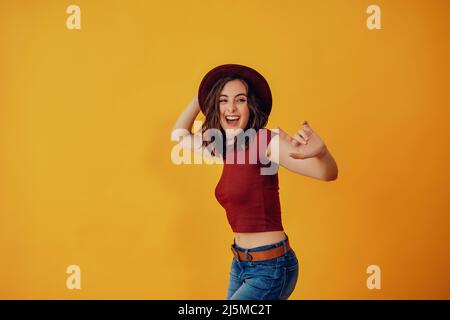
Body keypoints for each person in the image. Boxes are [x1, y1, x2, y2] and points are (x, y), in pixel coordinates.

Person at [171, 64, 338, 300]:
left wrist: (322, 152)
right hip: (240, 264)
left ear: (251, 107)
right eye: (222, 100)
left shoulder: (265, 142)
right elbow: (178, 134)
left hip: (271, 267)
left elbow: (327, 173)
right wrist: (202, 95)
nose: (231, 107)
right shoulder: (226, 148)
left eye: (240, 100)